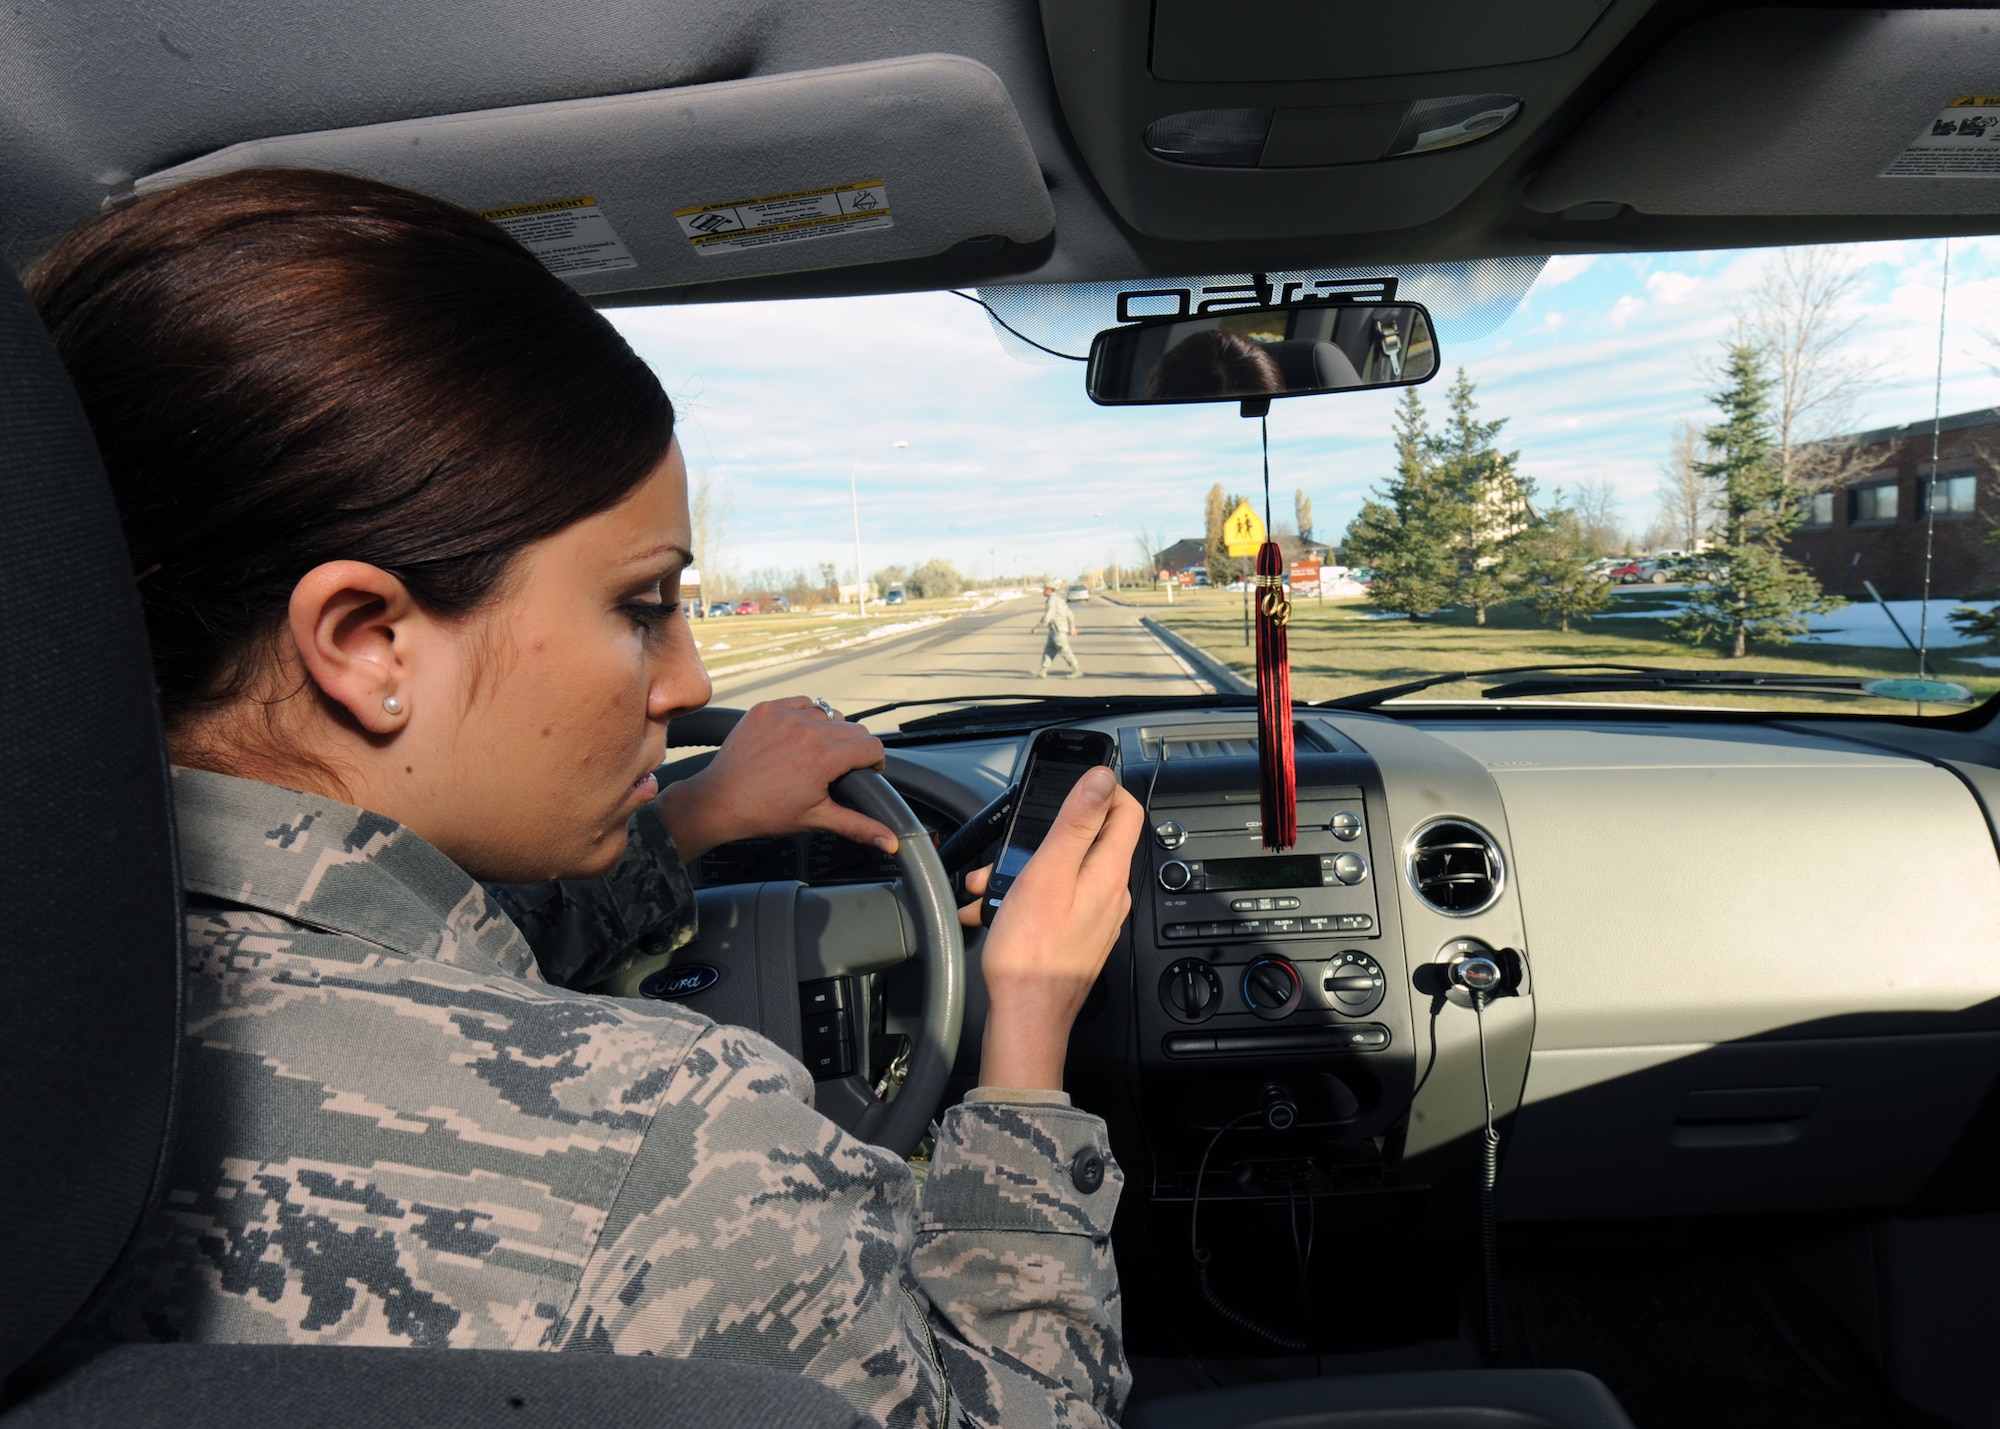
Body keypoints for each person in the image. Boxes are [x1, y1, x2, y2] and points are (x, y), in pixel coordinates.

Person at [32, 168, 1143, 1429]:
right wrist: (1027, 1042)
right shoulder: (670, 1147)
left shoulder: (71, 985)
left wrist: (693, 818)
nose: (691, 677)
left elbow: (390, 947)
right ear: (366, 640)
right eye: (641, 605)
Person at [1033, 584, 1082, 678]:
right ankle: (1043, 671)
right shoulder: (1060, 600)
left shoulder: (1052, 600)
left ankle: (1077, 671)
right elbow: (1070, 614)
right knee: (1049, 650)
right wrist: (1072, 627)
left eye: (1044, 589)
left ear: (1049, 590)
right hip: (1054, 630)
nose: (1043, 591)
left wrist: (1038, 626)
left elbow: (1049, 614)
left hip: (1058, 630)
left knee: (1065, 651)